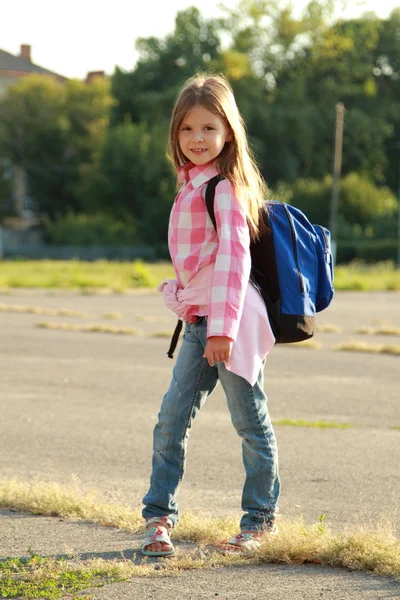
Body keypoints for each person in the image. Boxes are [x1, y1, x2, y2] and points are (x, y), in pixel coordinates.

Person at [141, 72, 280, 557]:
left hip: (230, 324)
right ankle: (158, 518)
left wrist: (221, 329)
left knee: (250, 422)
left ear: (228, 133)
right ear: (175, 134)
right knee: (170, 421)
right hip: (202, 323)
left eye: (208, 129)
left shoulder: (222, 188)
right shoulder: (189, 185)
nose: (197, 139)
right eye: (187, 129)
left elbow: (233, 263)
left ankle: (260, 523)